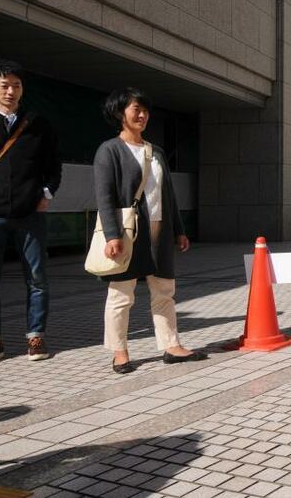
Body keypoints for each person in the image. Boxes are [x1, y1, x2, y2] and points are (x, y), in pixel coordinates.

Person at [94, 88, 207, 374]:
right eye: (136, 109)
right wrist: (112, 235)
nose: (142, 115)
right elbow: (104, 196)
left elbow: (167, 193)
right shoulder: (110, 150)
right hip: (128, 231)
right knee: (121, 293)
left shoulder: (154, 151)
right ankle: (119, 351)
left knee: (164, 290)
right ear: (121, 113)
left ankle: (171, 346)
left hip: (161, 227)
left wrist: (179, 230)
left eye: (145, 110)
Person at [0, 60, 60, 362]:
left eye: (16, 86)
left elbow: (53, 165)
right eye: (5, 85)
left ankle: (36, 337)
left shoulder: (38, 124)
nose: (10, 91)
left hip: (30, 213)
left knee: (37, 278)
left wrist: (46, 192)